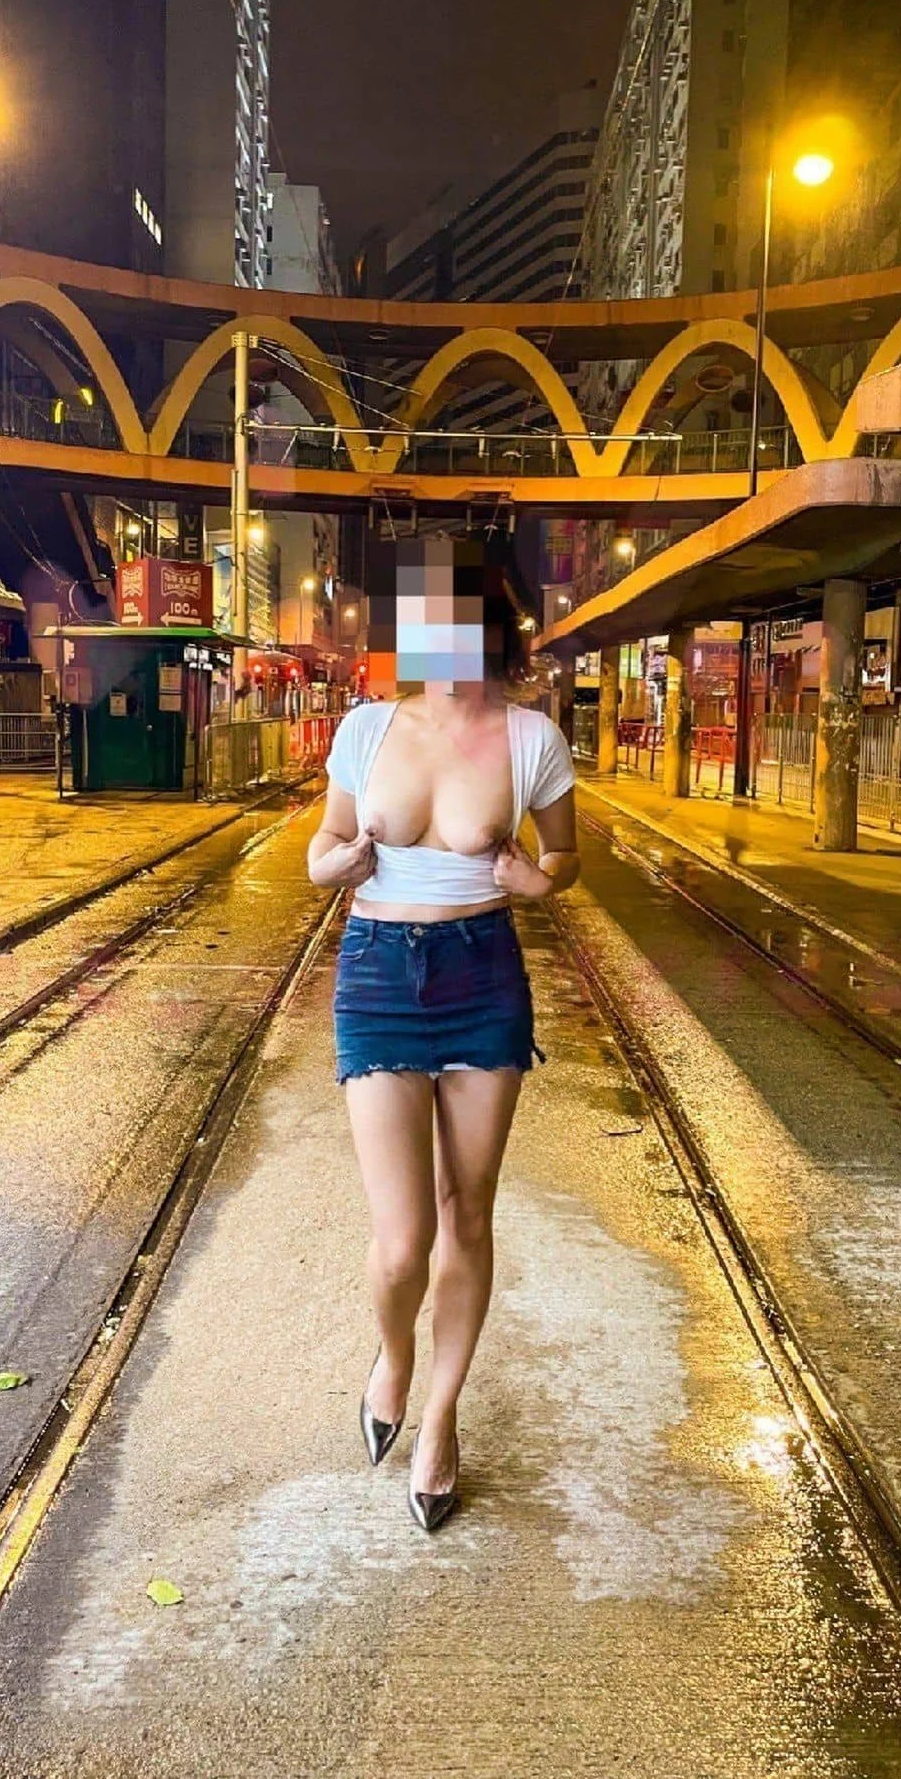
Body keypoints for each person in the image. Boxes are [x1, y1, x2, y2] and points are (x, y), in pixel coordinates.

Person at [307, 538, 579, 1532]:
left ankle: (438, 1420)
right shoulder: (367, 728)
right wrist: (338, 865)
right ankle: (393, 1354)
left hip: (481, 974)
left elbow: (566, 863)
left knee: (467, 1218)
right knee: (399, 1243)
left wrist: (531, 883)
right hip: (378, 973)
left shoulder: (530, 739)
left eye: (459, 617)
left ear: (491, 627)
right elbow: (321, 847)